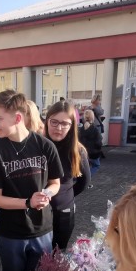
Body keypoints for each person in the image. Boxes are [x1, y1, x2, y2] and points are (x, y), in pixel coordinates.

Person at [0, 90, 63, 271]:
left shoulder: (45, 146)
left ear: (18, 118)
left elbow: (55, 183)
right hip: (11, 233)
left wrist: (47, 194)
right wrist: (28, 202)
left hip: (42, 229)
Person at [44, 101, 90, 250]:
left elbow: (84, 181)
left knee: (57, 257)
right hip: (38, 215)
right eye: (54, 122)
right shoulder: (37, 145)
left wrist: (66, 194)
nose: (58, 128)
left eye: (65, 124)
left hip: (63, 212)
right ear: (47, 121)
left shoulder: (77, 151)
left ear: (72, 126)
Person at [80, 109, 103, 176]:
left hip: (83, 152)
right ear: (92, 117)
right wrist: (99, 149)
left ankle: (85, 180)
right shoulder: (95, 129)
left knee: (85, 167)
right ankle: (86, 178)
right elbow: (99, 141)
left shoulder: (81, 129)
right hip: (93, 153)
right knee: (96, 166)